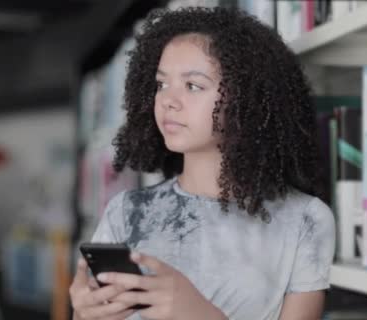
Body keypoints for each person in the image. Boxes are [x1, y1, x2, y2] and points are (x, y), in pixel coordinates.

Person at [69, 6, 336, 320]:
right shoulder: (125, 212)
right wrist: (83, 313)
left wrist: (200, 314)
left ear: (245, 97)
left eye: (193, 86)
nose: (169, 100)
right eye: (161, 84)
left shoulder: (305, 220)